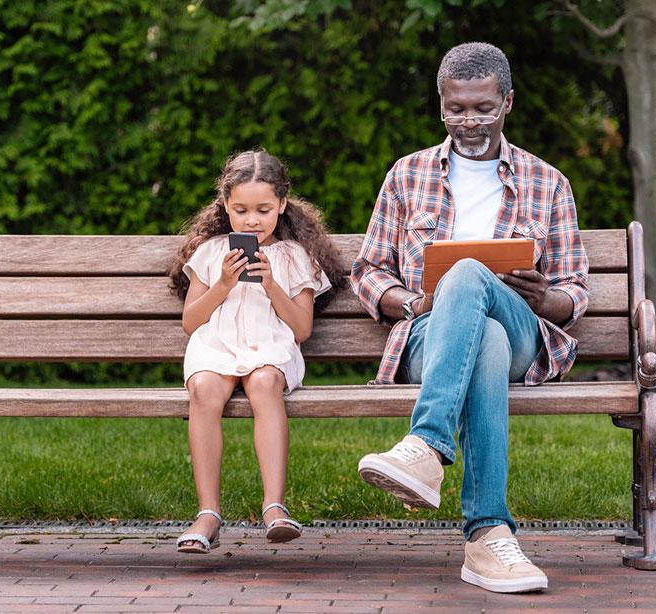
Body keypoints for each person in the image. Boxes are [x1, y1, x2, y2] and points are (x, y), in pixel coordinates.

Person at [351, 42, 589, 593]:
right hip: (431, 337)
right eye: (456, 108)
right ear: (441, 104)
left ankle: (427, 446)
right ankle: (487, 536)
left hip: (523, 326)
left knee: (466, 274)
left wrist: (543, 295)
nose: (469, 121)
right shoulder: (406, 176)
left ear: (507, 102)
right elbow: (367, 270)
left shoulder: (547, 181)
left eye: (483, 108)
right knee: (483, 341)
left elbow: (575, 291)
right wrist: (411, 303)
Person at [169, 149, 346, 553]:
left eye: (264, 210)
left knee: (265, 383)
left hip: (271, 347)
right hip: (216, 346)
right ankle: (208, 512)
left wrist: (271, 285)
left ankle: (274, 505)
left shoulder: (295, 256)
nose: (252, 220)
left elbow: (301, 329)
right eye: (242, 210)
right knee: (203, 390)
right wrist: (223, 285)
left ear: (282, 205)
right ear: (226, 207)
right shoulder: (212, 253)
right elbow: (191, 322)